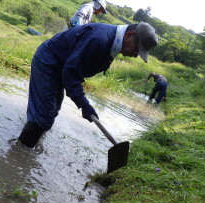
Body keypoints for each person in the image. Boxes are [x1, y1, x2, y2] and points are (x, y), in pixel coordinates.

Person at [18, 22, 158, 148]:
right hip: (49, 62)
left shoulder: (112, 43)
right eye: (136, 50)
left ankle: (29, 143)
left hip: (62, 66)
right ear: (129, 35)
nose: (135, 55)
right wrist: (84, 104)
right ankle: (20, 152)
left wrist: (82, 102)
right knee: (44, 115)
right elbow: (71, 73)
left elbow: (75, 70)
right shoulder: (99, 39)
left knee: (52, 110)